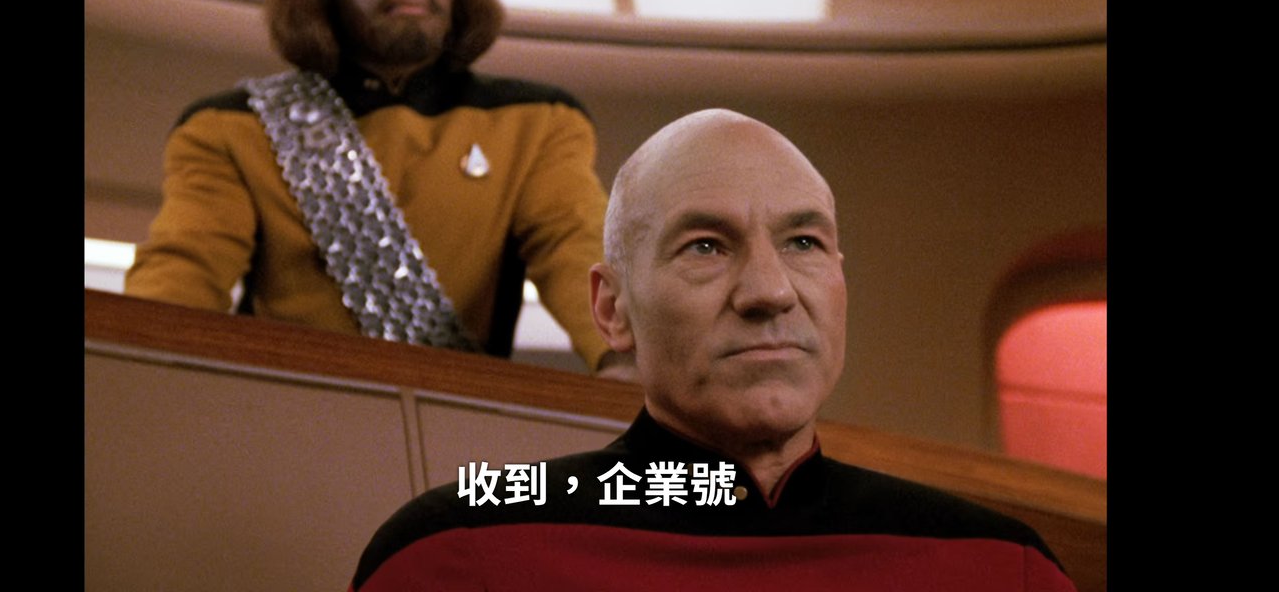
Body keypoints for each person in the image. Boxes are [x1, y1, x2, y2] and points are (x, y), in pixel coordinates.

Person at [347, 109, 1077, 591]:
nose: (770, 291)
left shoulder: (1000, 568)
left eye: (803, 242)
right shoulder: (459, 549)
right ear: (612, 309)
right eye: (705, 246)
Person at [125, 0, 631, 375]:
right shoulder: (232, 129)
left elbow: (577, 255)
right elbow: (181, 277)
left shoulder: (536, 122)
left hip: (455, 413)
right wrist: (129, 360)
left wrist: (626, 361)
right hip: (285, 412)